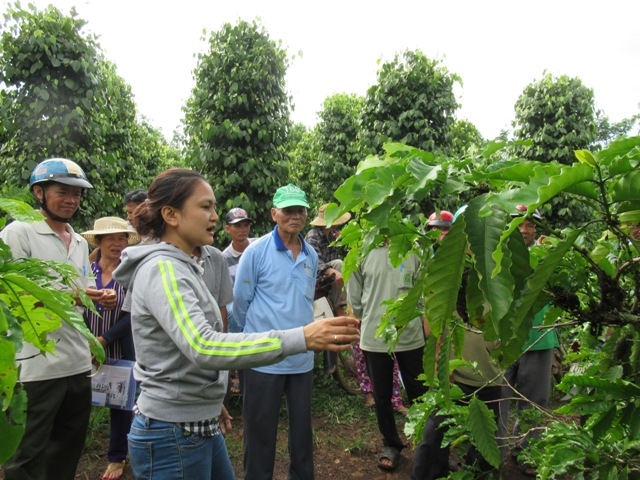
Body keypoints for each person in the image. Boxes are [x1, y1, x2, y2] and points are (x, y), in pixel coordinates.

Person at [112, 170, 359, 480]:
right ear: (171, 215)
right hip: (173, 433)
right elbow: (204, 344)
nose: (215, 217)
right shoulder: (164, 270)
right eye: (205, 207)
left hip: (198, 421)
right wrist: (302, 337)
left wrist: (210, 398)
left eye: (214, 207)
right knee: (259, 440)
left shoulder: (191, 265)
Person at [1, 158, 110, 480]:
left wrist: (96, 299)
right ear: (39, 192)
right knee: (27, 454)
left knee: (67, 447)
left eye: (77, 194)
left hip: (76, 363)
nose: (71, 200)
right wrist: (74, 297)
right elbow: (11, 295)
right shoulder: (17, 233)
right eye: (63, 192)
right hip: (35, 365)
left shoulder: (78, 240)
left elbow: (84, 290)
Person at [233, 183, 320, 480]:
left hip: (301, 359)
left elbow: (305, 301)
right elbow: (240, 305)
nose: (295, 216)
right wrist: (250, 347)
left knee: (302, 432)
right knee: (259, 431)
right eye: (288, 210)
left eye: (300, 210)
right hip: (264, 359)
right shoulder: (256, 252)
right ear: (274, 213)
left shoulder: (311, 255)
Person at [347, 242, 428, 471]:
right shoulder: (360, 251)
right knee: (381, 394)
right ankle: (391, 444)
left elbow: (421, 292)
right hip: (375, 336)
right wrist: (374, 316)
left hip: (410, 334)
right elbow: (355, 300)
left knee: (419, 392)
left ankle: (428, 444)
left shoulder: (414, 249)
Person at [501, 204, 559, 476]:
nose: (525, 229)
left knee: (534, 403)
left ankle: (527, 452)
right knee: (496, 398)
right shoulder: (497, 254)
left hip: (539, 337)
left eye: (530, 224)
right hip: (502, 341)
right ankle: (491, 450)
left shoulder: (546, 254)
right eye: (519, 223)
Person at [81, 216, 141, 480]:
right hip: (85, 348)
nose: (117, 244)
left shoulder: (129, 274)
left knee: (121, 404)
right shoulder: (86, 271)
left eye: (122, 238)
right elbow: (76, 306)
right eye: (111, 239)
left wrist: (102, 340)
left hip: (118, 349)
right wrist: (87, 339)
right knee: (81, 400)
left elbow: (132, 315)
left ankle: (117, 457)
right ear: (99, 242)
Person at [222, 207, 257, 394]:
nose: (243, 229)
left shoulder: (258, 248)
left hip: (259, 299)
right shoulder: (224, 259)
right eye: (237, 226)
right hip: (238, 304)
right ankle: (239, 362)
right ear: (228, 229)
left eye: (245, 225)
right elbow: (229, 293)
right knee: (232, 310)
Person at [305, 203, 350, 316]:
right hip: (314, 278)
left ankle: (342, 304)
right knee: (339, 264)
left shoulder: (331, 236)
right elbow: (313, 261)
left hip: (328, 280)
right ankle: (339, 307)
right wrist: (331, 271)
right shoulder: (313, 235)